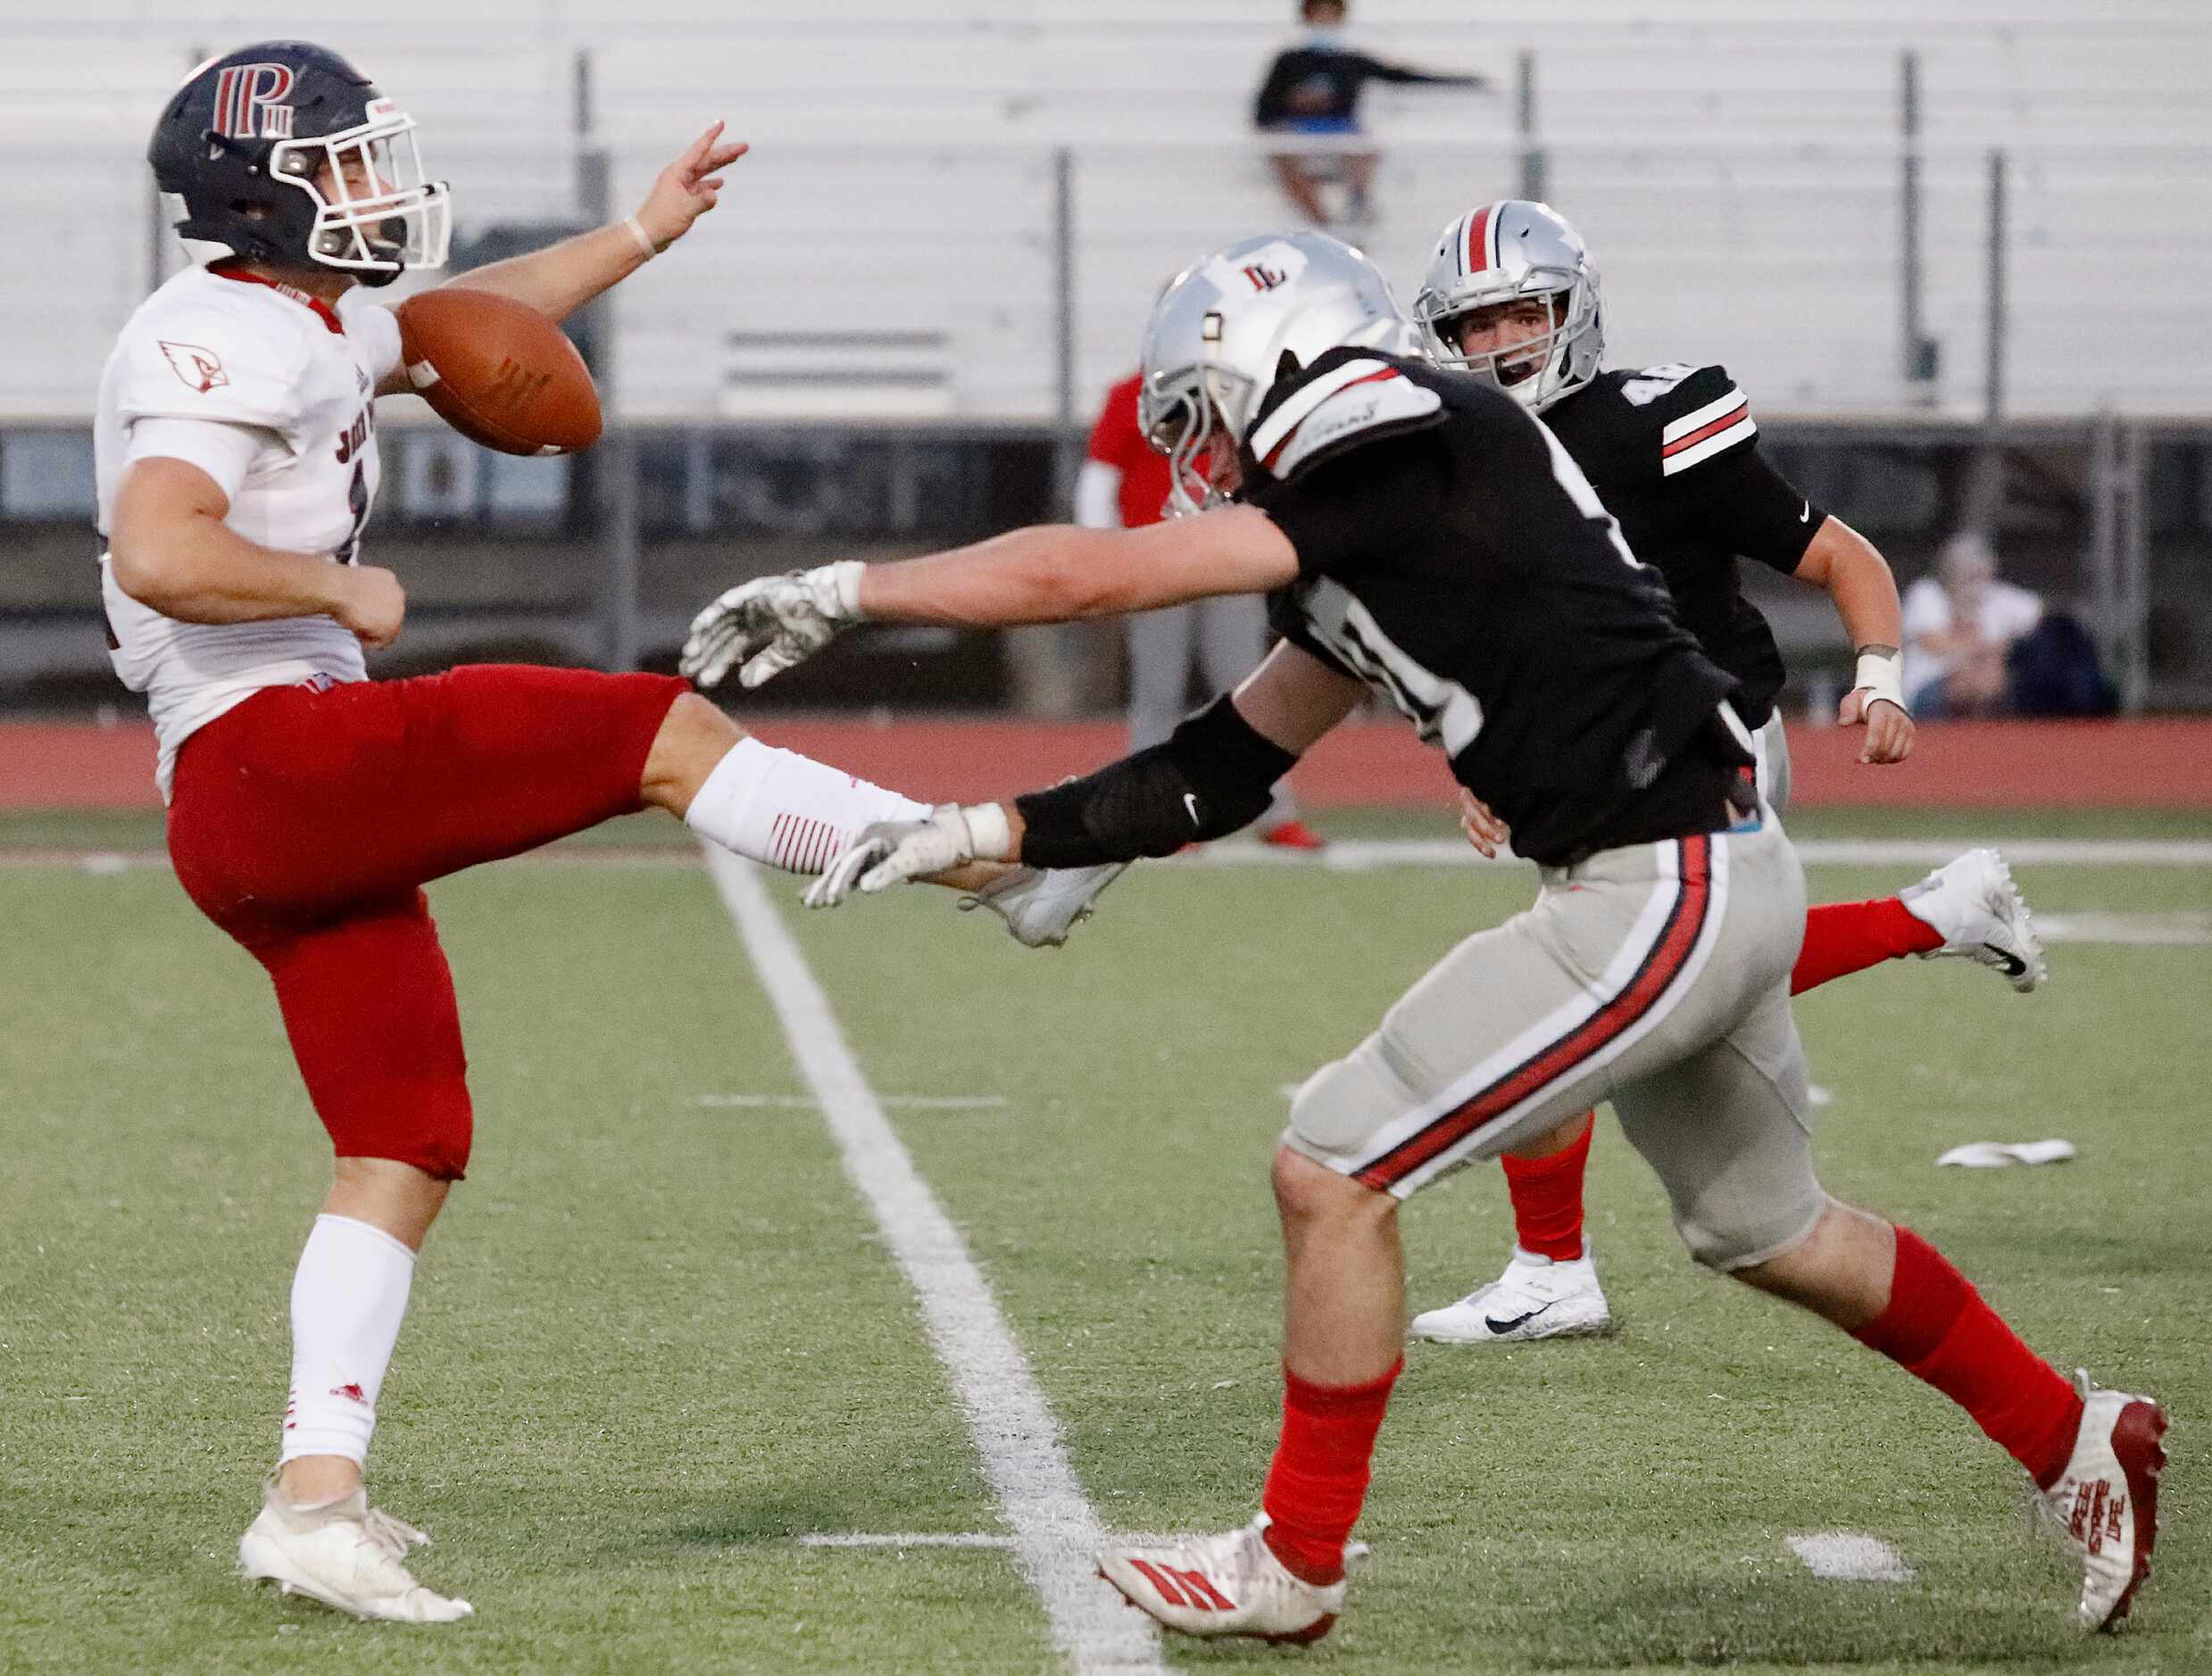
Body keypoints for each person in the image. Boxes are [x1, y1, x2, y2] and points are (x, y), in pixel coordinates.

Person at [682, 231, 2165, 1645]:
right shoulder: (1387, 511)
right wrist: (979, 834)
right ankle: (2071, 1431)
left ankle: (1293, 1561)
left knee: (1328, 1164)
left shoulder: (1377, 419)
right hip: (1700, 860)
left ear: (1276, 365)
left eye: (1202, 414)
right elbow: (1219, 761)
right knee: (1767, 1230)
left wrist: (847, 590)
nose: (1200, 455)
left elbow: (1092, 576)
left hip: (1654, 877)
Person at [104, 41, 1046, 1622]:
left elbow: (484, 310)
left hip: (261, 797)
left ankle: (312, 1498)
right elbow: (157, 547)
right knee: (647, 729)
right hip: (274, 754)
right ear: (258, 187)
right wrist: (334, 586)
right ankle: (982, 853)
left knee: (404, 1137)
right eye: (343, 164)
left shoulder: (307, 315)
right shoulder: (216, 334)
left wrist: (645, 233)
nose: (377, 191)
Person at [1401, 200, 2047, 1347]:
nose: (1500, 343)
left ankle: (1553, 1270)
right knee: (1688, 985)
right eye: (1476, 321)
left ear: (1574, 313)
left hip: (1709, 741)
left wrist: (1882, 675)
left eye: (1521, 313)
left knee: (1582, 993)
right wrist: (1480, 757)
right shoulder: (1457, 455)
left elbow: (1842, 554)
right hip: (1597, 746)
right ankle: (1938, 915)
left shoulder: (1657, 423)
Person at [1077, 369, 1322, 850]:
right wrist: (1104, 557)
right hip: (1156, 561)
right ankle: (1155, 814)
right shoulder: (1130, 394)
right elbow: (1098, 480)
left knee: (1253, 689)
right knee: (1159, 693)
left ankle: (1272, 813)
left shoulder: (1242, 388)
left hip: (1230, 558)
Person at [1252, 0, 1485, 227]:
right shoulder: (1288, 62)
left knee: (1363, 150)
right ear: (1307, 18)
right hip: (1298, 133)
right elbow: (1263, 111)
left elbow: (1402, 76)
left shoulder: (1351, 61)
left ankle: (1357, 211)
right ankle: (1321, 223)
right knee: (1285, 156)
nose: (1325, 22)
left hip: (1342, 134)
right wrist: (1295, 103)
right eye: (1319, 15)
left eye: (1331, 15)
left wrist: (1464, 81)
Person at [1902, 531, 2045, 716]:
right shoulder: (1926, 594)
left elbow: (2044, 621)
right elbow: (1934, 643)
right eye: (1966, 574)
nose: (1974, 583)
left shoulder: (1999, 598)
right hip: (1928, 687)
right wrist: (1988, 652)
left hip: (1990, 682)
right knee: (1978, 679)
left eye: (1979, 573)